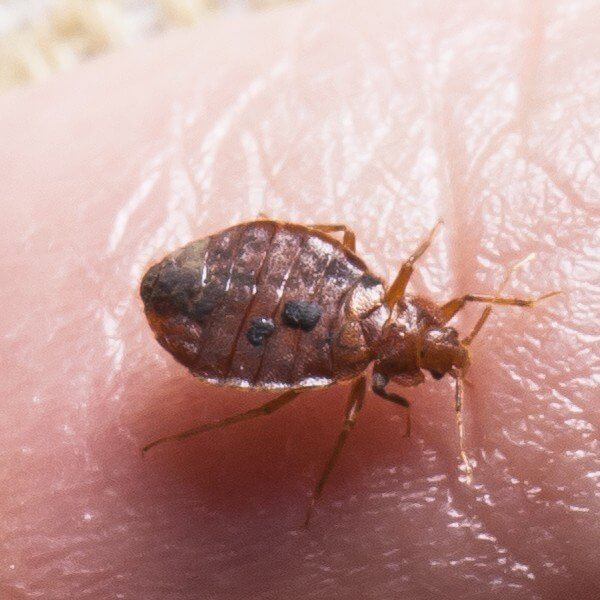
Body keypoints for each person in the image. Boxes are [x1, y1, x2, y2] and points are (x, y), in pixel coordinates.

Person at [0, 1, 597, 598]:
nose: (445, 344)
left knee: (286, 381)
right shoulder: (365, 348)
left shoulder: (371, 320)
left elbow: (384, 275)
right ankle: (211, 436)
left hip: (281, 288)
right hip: (266, 300)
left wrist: (278, 229)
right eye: (446, 344)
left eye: (440, 354)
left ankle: (194, 426)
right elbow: (428, 315)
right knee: (283, 399)